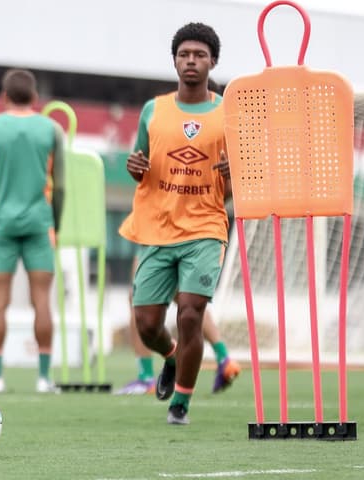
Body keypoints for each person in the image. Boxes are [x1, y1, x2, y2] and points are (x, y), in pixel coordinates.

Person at [118, 22, 231, 425]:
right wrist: (133, 167)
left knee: (189, 313)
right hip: (157, 227)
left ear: (213, 61)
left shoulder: (227, 113)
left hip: (205, 228)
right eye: (184, 54)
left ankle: (181, 401)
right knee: (147, 324)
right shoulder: (155, 109)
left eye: (199, 55)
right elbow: (140, 165)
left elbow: (235, 189)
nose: (191, 61)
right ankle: (169, 357)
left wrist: (233, 174)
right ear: (174, 61)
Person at [0, 68, 66, 394]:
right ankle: (43, 379)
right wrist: (56, 223)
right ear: (36, 97)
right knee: (42, 302)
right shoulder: (52, 129)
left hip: (0, 224)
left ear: (4, 96)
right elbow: (62, 186)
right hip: (40, 223)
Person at [116, 259, 241, 395]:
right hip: (192, 246)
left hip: (165, 242)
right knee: (187, 298)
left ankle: (146, 378)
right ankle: (224, 358)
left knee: (138, 294)